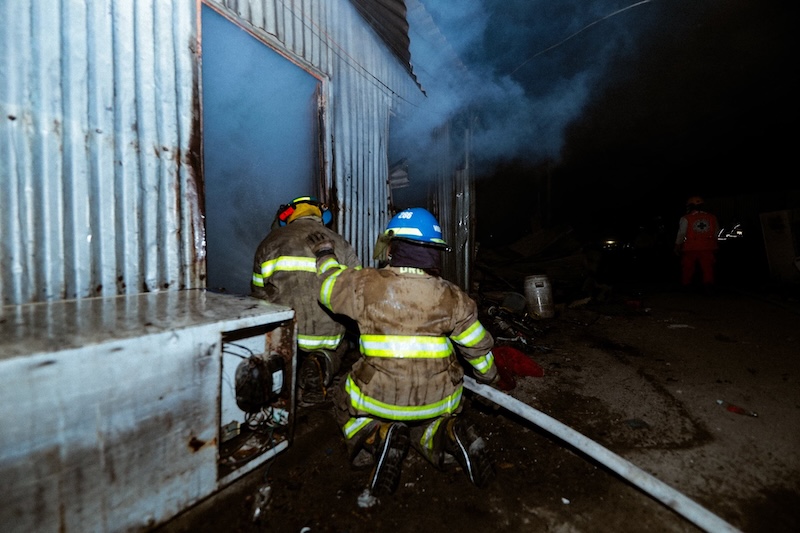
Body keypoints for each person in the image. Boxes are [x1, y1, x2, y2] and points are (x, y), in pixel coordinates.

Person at [306, 207, 499, 498]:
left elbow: (328, 288)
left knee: (342, 398)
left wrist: (325, 255)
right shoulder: (454, 296)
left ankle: (374, 435)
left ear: (393, 246)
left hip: (378, 399)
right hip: (438, 399)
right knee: (428, 422)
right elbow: (477, 349)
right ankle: (446, 432)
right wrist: (491, 380)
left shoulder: (364, 285)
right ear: (434, 252)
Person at [251, 195, 361, 406]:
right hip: (326, 337)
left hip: (285, 335)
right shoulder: (341, 243)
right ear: (320, 216)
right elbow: (354, 293)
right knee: (344, 343)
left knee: (280, 350)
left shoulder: (269, 243)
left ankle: (282, 377)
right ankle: (323, 363)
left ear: (289, 215)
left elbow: (258, 295)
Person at [674, 196, 719, 290]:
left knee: (688, 267)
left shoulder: (686, 218)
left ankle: (686, 285)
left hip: (691, 247)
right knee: (707, 268)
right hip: (708, 247)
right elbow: (716, 232)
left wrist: (678, 245)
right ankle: (708, 286)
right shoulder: (712, 217)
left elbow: (682, 233)